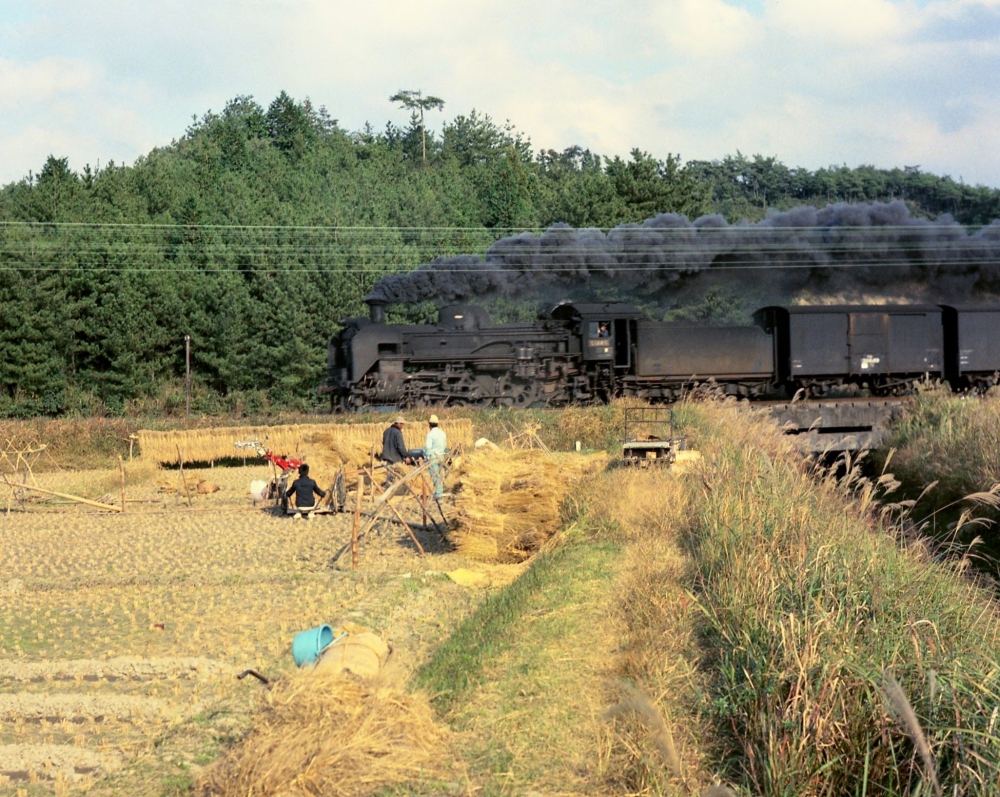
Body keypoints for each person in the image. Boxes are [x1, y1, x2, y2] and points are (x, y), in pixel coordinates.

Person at [381, 415, 412, 485]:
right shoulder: (398, 433)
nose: (402, 426)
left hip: (388, 457)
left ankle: (387, 488)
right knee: (397, 476)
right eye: (402, 424)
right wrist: (406, 456)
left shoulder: (386, 431)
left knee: (389, 475)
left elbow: (384, 443)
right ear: (398, 423)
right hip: (396, 458)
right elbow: (400, 447)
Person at [425, 414, 448, 499]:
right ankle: (440, 492)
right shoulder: (443, 434)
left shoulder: (430, 434)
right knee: (440, 475)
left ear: (429, 424)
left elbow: (428, 447)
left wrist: (427, 457)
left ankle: (438, 494)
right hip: (441, 457)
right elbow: (445, 446)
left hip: (433, 458)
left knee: (434, 476)